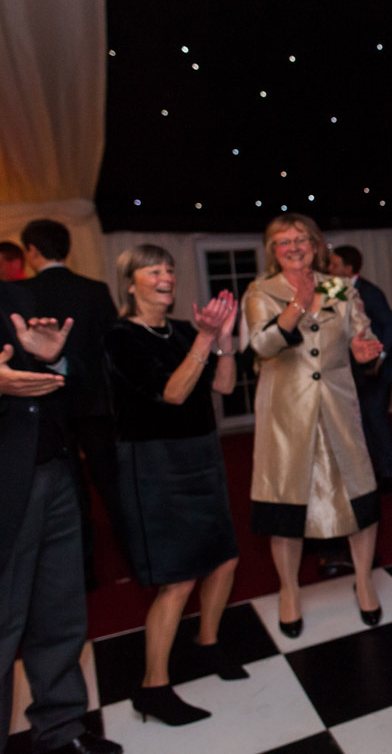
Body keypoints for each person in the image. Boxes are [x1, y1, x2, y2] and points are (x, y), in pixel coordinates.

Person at [103, 245, 244, 726]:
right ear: (130, 282)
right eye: (153, 269)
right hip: (156, 463)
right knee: (178, 578)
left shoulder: (186, 331)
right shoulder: (120, 336)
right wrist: (204, 340)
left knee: (225, 558)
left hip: (202, 454)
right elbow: (174, 392)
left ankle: (207, 643)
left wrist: (222, 339)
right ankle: (153, 688)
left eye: (169, 268)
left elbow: (223, 387)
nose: (165, 276)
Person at [242, 214, 384, 637]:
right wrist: (298, 304)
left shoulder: (338, 286)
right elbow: (263, 344)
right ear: (272, 250)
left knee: (360, 494)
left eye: (300, 238)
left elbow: (362, 336)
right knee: (286, 504)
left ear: (315, 244)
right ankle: (290, 590)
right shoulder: (260, 291)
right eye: (282, 241)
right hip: (286, 413)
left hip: (338, 406)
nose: (293, 246)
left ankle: (364, 581)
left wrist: (366, 353)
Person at [0, 281, 122, 754]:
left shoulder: (20, 297)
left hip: (52, 472)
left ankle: (61, 729)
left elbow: (74, 387)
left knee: (59, 613)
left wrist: (53, 361)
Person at [21, 219, 122, 584]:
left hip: (50, 407)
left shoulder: (23, 293)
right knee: (111, 481)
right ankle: (132, 550)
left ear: (32, 251)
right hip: (93, 401)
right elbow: (112, 347)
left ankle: (85, 567)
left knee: (72, 489)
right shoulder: (93, 289)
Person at [330, 245, 392, 493]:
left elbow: (390, 325)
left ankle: (389, 474)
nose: (330, 269)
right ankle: (374, 471)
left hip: (379, 369)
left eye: (335, 265)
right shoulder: (335, 292)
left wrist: (379, 356)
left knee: (376, 419)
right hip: (356, 371)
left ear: (348, 269)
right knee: (362, 421)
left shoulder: (368, 292)